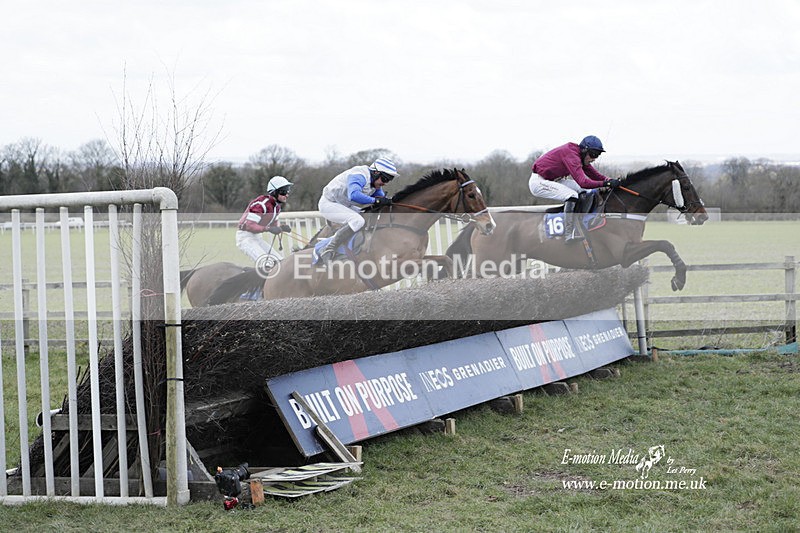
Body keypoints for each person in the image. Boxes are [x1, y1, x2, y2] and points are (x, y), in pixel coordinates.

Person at [529, 135, 621, 242]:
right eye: (593, 154)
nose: (594, 159)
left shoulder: (579, 155)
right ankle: (569, 233)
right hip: (539, 182)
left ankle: (580, 223)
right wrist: (607, 183)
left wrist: (610, 181)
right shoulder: (572, 156)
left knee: (587, 192)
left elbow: (594, 175)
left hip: (552, 180)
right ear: (584, 150)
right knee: (572, 195)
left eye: (597, 155)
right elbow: (583, 182)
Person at [317, 157, 398, 263]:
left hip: (343, 205)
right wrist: (377, 201)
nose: (385, 183)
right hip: (329, 204)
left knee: (366, 217)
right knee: (358, 221)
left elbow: (381, 198)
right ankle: (327, 249)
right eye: (385, 179)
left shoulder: (374, 182)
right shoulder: (360, 175)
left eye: (389, 180)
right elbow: (354, 195)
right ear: (376, 173)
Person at [236, 175, 293, 270]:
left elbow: (273, 224)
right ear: (274, 192)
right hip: (245, 238)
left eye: (287, 191)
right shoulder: (261, 204)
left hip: (257, 237)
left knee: (280, 262)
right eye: (283, 191)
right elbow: (250, 226)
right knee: (267, 263)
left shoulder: (277, 207)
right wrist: (268, 229)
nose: (286, 194)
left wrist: (281, 228)